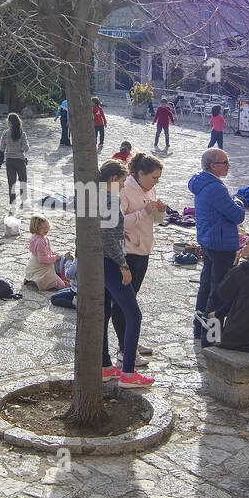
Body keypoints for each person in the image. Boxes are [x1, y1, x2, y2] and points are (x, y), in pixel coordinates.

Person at [99, 159, 152, 387]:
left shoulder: (90, 196)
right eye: (121, 182)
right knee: (133, 315)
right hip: (111, 262)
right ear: (112, 179)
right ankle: (128, 373)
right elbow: (108, 237)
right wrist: (123, 264)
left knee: (104, 314)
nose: (122, 187)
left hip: (96, 262)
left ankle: (105, 366)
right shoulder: (109, 199)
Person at [189, 147, 246, 342]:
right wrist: (238, 201)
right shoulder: (215, 188)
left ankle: (199, 328)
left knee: (206, 286)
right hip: (221, 244)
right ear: (213, 166)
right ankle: (211, 336)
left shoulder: (202, 182)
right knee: (219, 290)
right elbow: (237, 215)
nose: (228, 166)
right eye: (225, 162)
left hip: (209, 240)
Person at [113, 151, 164, 367]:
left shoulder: (150, 189)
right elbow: (118, 222)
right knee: (124, 303)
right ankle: (125, 349)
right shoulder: (125, 190)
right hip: (128, 252)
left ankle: (131, 341)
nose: (156, 182)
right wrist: (144, 212)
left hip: (144, 249)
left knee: (132, 299)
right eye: (153, 177)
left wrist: (160, 211)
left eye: (158, 178)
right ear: (140, 173)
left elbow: (157, 221)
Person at [26, 216, 72, 290]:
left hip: (35, 264)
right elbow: (42, 259)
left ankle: (35, 279)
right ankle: (39, 281)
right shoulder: (40, 241)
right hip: (42, 267)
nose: (46, 229)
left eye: (47, 226)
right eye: (42, 228)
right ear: (35, 228)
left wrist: (53, 254)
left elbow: (46, 251)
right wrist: (55, 258)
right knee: (62, 285)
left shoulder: (40, 237)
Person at [2, 113, 29, 208]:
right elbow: (26, 148)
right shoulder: (22, 133)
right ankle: (23, 201)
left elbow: (1, 148)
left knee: (11, 183)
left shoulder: (5, 133)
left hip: (9, 160)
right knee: (23, 181)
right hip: (20, 160)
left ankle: (12, 203)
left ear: (9, 122)